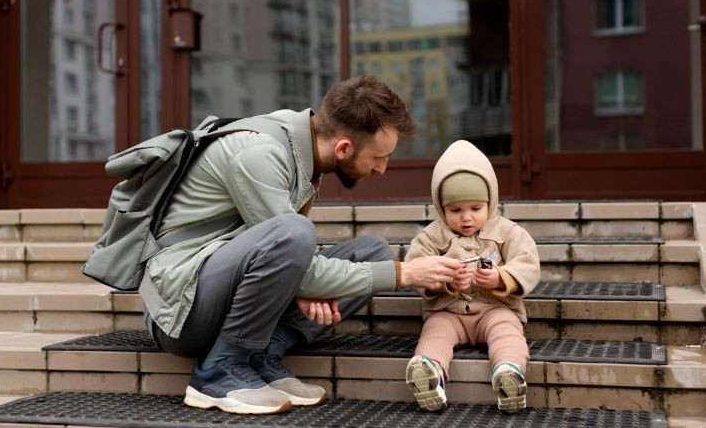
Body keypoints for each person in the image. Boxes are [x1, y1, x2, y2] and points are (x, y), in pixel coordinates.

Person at [139, 75, 463, 415]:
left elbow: (290, 259)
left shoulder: (307, 155)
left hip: (222, 286)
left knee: (372, 253)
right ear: (343, 148)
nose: (382, 169)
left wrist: (305, 283)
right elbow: (290, 247)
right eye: (379, 158)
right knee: (298, 234)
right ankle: (219, 368)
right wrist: (406, 273)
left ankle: (262, 355)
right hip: (181, 310)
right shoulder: (260, 154)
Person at [403, 140, 540, 413]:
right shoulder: (432, 236)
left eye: (476, 208)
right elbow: (415, 266)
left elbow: (528, 262)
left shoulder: (507, 231)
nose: (466, 218)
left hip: (495, 308)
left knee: (506, 331)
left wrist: (502, 278)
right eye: (456, 211)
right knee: (434, 333)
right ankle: (430, 372)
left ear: (490, 202)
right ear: (441, 208)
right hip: (449, 311)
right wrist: (445, 283)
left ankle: (508, 372)